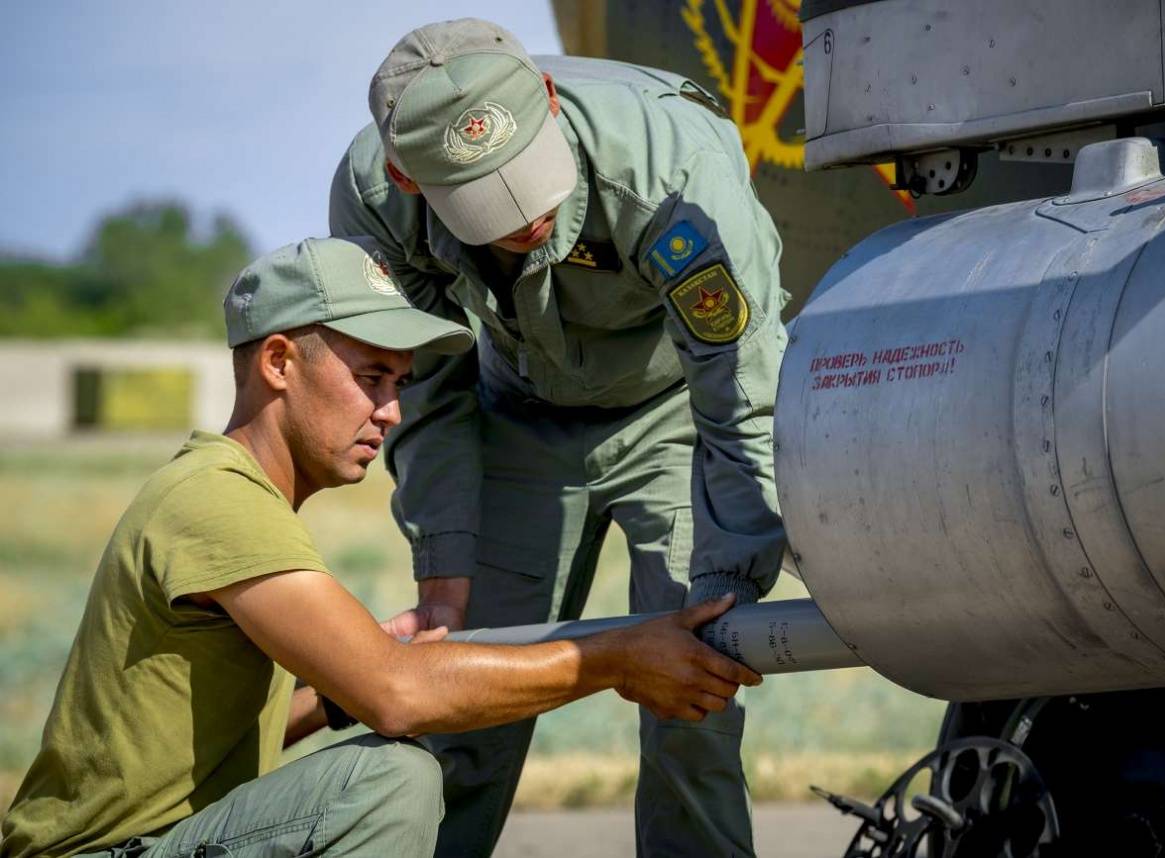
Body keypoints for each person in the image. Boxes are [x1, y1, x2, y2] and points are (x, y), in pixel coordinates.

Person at [0, 236, 760, 858]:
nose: (392, 411)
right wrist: (618, 660)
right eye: (371, 377)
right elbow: (399, 698)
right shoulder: (218, 501)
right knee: (389, 781)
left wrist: (337, 693)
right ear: (276, 364)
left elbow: (221, 734)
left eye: (399, 382)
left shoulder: (228, 490)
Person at [329, 18, 789, 858]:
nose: (523, 218)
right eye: (483, 201)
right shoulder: (374, 198)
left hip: (675, 415)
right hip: (519, 421)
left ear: (546, 99)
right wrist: (445, 570)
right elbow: (425, 386)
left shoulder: (673, 168)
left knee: (693, 705)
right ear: (407, 176)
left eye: (529, 181)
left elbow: (741, 393)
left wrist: (727, 587)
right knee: (466, 698)